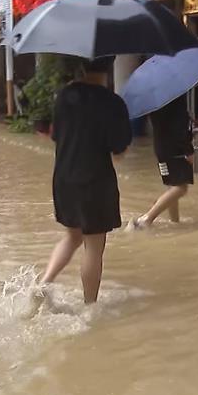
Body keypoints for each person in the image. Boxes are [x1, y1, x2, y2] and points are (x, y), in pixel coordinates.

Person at [33, 57, 132, 308]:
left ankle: (43, 283)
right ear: (109, 68)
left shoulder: (64, 96)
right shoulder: (113, 103)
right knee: (93, 247)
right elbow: (119, 150)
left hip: (64, 178)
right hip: (95, 181)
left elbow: (54, 135)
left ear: (81, 65)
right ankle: (90, 307)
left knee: (72, 237)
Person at [130, 95, 194, 229]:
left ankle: (174, 223)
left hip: (160, 147)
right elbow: (180, 125)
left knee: (172, 185)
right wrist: (188, 150)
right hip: (175, 148)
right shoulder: (175, 97)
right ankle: (146, 219)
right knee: (181, 188)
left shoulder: (155, 100)